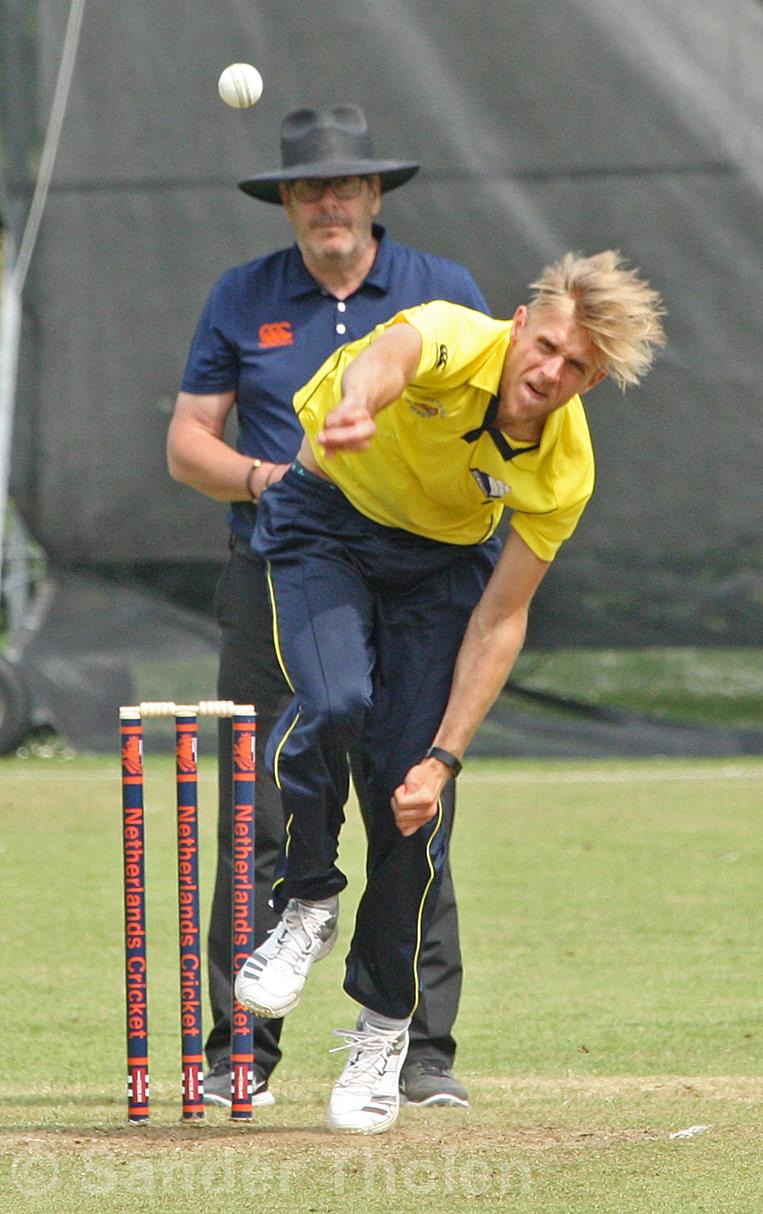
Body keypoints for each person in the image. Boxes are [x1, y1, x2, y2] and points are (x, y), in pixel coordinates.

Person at [233, 250, 666, 1134]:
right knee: (333, 703)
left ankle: (383, 1031)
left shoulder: (564, 467)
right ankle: (308, 900)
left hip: (440, 569)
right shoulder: (453, 334)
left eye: (575, 366)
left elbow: (500, 617)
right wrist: (357, 405)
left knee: (410, 801)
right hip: (326, 521)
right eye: (545, 345)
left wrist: (443, 758)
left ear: (592, 381)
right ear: (518, 324)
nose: (548, 372)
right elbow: (388, 357)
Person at [167, 103, 492, 1110]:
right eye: (309, 188)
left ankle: (418, 1051)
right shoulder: (244, 294)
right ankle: (242, 1052)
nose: (328, 203)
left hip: (411, 580)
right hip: (280, 569)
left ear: (374, 192)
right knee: (261, 805)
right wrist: (266, 479)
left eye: (345, 185)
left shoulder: (442, 290)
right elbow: (187, 440)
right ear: (288, 203)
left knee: (411, 797)